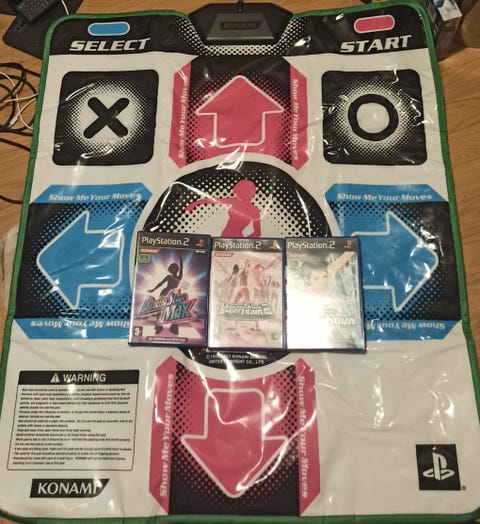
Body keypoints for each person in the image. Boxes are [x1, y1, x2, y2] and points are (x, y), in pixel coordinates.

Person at [185, 179, 261, 237]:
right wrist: (195, 204)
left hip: (232, 237)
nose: (237, 195)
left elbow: (257, 233)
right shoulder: (238, 203)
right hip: (226, 236)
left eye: (239, 192)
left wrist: (243, 242)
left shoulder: (253, 210)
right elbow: (214, 200)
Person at [148, 252, 183, 334]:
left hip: (174, 294)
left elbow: (182, 267)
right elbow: (161, 283)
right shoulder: (169, 276)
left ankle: (174, 327)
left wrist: (180, 256)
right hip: (165, 293)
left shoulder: (179, 276)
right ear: (171, 269)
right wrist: (153, 289)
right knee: (161, 310)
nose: (174, 270)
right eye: (172, 268)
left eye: (175, 268)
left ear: (177, 269)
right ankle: (158, 326)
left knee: (175, 311)